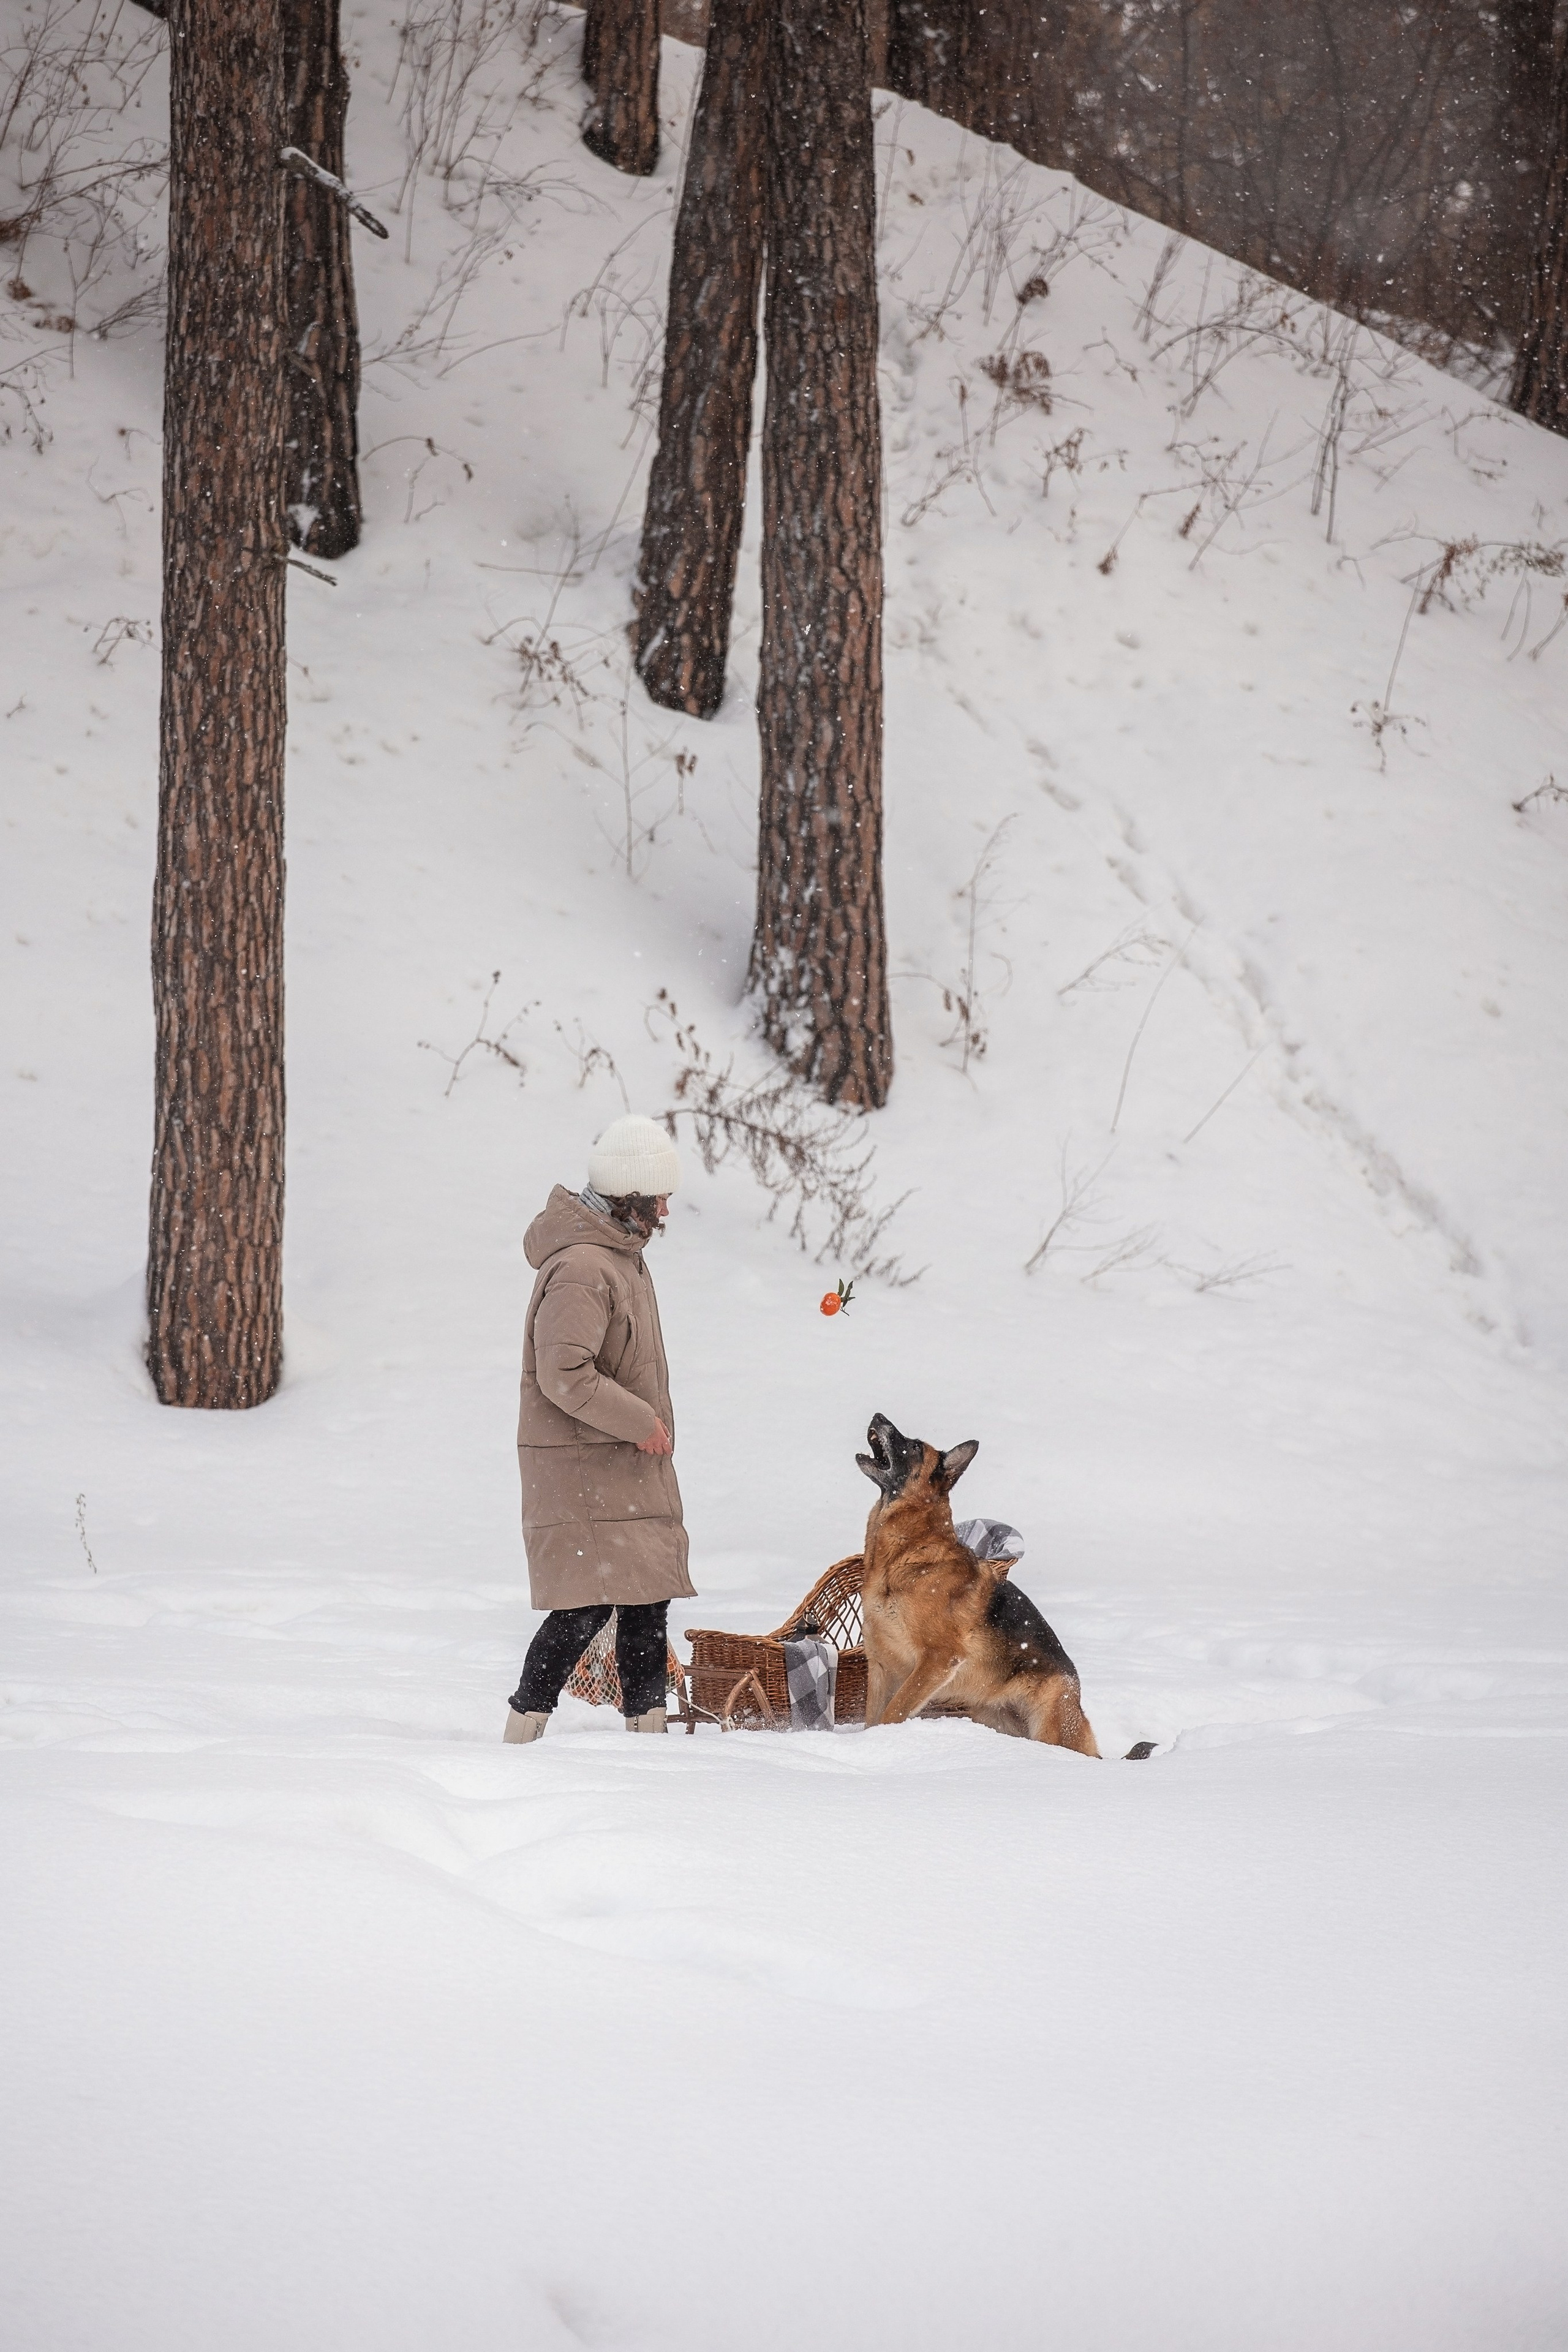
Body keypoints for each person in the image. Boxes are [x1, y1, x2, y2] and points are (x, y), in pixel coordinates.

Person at [505, 1115, 696, 1742]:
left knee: (645, 1598)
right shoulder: (585, 1266)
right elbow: (562, 1373)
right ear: (628, 1195)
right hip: (586, 1467)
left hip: (621, 1464)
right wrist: (641, 1421)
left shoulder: (620, 1257)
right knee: (583, 1606)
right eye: (658, 1195)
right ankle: (521, 1732)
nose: (667, 1207)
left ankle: (650, 1734)